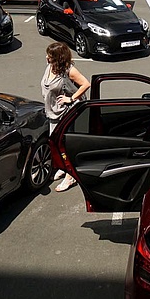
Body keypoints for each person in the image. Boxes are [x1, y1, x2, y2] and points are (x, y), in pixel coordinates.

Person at [41, 42, 90, 193]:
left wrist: (71, 98)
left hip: (66, 113)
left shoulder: (68, 70)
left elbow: (85, 84)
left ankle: (70, 176)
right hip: (53, 112)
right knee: (55, 143)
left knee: (64, 145)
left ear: (58, 58)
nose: (47, 57)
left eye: (50, 55)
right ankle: (63, 167)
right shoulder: (50, 67)